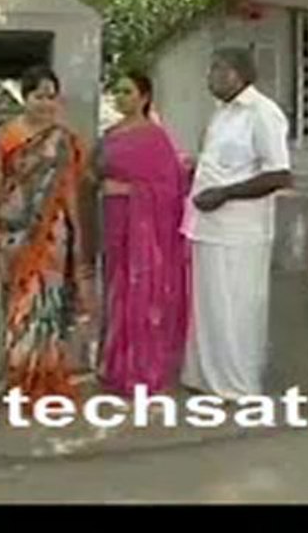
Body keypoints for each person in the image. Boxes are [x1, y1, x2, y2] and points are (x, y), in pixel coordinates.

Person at [180, 46, 292, 399]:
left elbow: (279, 174)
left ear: (238, 73)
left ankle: (237, 384)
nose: (210, 76)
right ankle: (205, 377)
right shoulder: (221, 114)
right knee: (210, 308)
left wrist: (224, 194)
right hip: (207, 227)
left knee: (236, 308)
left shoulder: (262, 113)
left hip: (240, 232)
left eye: (217, 69)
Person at [0, 65, 95, 404]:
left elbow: (71, 191)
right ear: (24, 97)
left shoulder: (65, 141)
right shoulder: (4, 136)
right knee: (19, 307)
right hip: (13, 234)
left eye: (51, 97)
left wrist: (79, 239)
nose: (46, 103)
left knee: (49, 306)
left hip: (53, 235)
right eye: (38, 96)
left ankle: (46, 377)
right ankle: (19, 378)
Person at [95, 71, 191, 397]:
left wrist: (131, 190)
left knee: (140, 289)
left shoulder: (156, 138)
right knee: (115, 288)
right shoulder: (110, 135)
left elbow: (171, 187)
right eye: (118, 92)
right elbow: (92, 173)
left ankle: (140, 369)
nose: (121, 97)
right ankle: (114, 366)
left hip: (144, 225)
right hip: (113, 220)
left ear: (144, 97)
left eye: (127, 91)